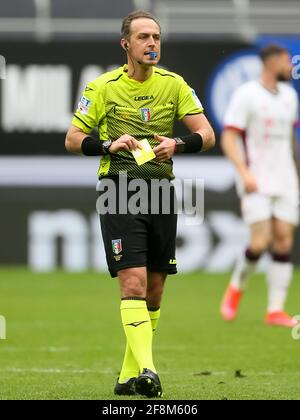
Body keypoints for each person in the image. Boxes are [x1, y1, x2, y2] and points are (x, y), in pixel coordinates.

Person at [65, 10, 215, 397]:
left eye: (157, 37)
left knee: (155, 290)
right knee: (132, 282)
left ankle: (128, 375)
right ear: (125, 45)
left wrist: (178, 144)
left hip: (162, 192)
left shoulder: (175, 84)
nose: (152, 44)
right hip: (118, 189)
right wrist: (106, 144)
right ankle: (150, 369)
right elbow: (71, 138)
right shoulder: (102, 87)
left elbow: (207, 134)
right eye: (144, 37)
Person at [220, 44, 300, 328]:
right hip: (257, 179)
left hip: (287, 179)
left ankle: (275, 310)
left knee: (284, 241)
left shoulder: (290, 96)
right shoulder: (247, 94)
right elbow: (229, 137)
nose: (291, 68)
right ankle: (236, 287)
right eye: (287, 62)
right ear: (273, 62)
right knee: (259, 242)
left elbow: (291, 138)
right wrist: (243, 172)